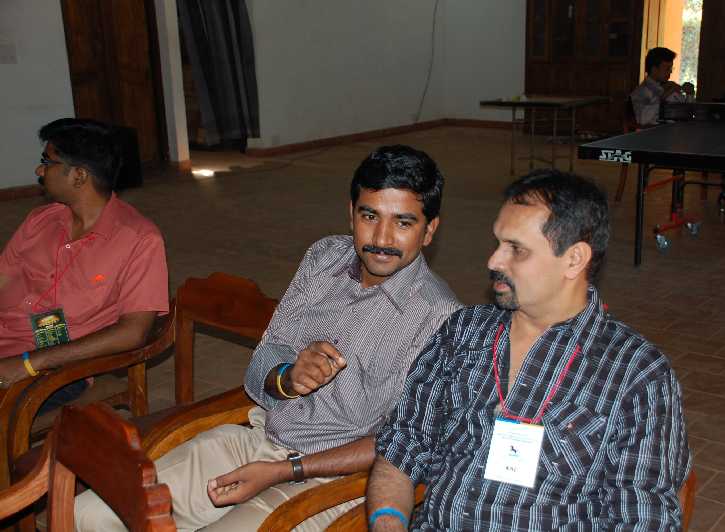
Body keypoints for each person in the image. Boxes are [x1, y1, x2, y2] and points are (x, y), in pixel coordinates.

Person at [75, 145, 462, 531]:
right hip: (261, 438)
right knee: (90, 513)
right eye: (369, 215)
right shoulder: (324, 258)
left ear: (429, 230)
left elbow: (404, 443)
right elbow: (264, 358)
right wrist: (288, 377)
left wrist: (284, 470)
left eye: (403, 223)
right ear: (351, 214)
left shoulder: (441, 319)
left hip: (338, 480)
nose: (381, 237)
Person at [367, 170, 691, 531]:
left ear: (574, 259)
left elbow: (644, 519)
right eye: (498, 243)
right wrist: (387, 523)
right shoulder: (463, 332)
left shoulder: (636, 375)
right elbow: (403, 446)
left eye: (516, 249)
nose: (494, 261)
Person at [0, 118, 168, 407]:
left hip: (54, 368)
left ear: (79, 176)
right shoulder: (40, 220)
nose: (39, 170)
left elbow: (134, 332)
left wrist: (29, 363)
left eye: (47, 162)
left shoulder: (139, 240)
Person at [631, 47, 688, 126]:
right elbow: (641, 119)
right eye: (667, 68)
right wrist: (663, 97)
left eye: (671, 68)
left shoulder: (670, 87)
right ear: (654, 69)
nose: (670, 71)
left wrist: (689, 95)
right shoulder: (640, 92)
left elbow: (684, 112)